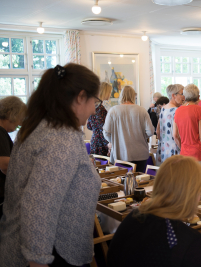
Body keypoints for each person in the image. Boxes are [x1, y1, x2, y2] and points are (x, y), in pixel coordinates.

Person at [0, 64, 101, 267]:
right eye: (94, 101)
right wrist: (38, 261)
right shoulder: (61, 136)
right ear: (81, 97)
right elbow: (39, 205)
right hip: (53, 253)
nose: (93, 109)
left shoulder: (39, 126)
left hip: (26, 246)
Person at [107, 155, 201, 267]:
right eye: (200, 192)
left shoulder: (134, 216)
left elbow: (111, 259)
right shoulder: (192, 242)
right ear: (191, 195)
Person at [104, 86, 154, 172]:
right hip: (140, 153)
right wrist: (140, 136)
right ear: (133, 96)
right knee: (139, 182)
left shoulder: (113, 111)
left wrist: (115, 141)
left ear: (121, 96)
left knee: (121, 182)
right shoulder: (142, 110)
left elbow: (106, 133)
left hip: (120, 154)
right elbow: (150, 131)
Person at [173, 84, 201, 171]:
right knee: (199, 183)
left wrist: (183, 147)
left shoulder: (178, 110)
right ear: (198, 97)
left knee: (187, 183)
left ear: (184, 97)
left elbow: (175, 135)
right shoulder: (200, 110)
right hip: (198, 154)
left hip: (184, 154)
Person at [0, 96, 26, 219]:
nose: (18, 124)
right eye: (19, 119)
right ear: (11, 114)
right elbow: (4, 164)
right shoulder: (0, 133)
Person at [156, 84, 185, 164]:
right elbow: (176, 135)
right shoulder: (177, 111)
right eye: (182, 94)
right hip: (174, 149)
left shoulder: (163, 109)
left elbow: (157, 131)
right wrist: (183, 150)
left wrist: (164, 142)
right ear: (173, 95)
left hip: (163, 149)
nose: (184, 97)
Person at [87, 82, 112, 156]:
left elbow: (89, 126)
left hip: (94, 141)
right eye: (109, 92)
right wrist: (108, 144)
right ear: (105, 92)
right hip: (101, 144)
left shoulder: (93, 106)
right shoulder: (100, 109)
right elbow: (103, 129)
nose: (110, 94)